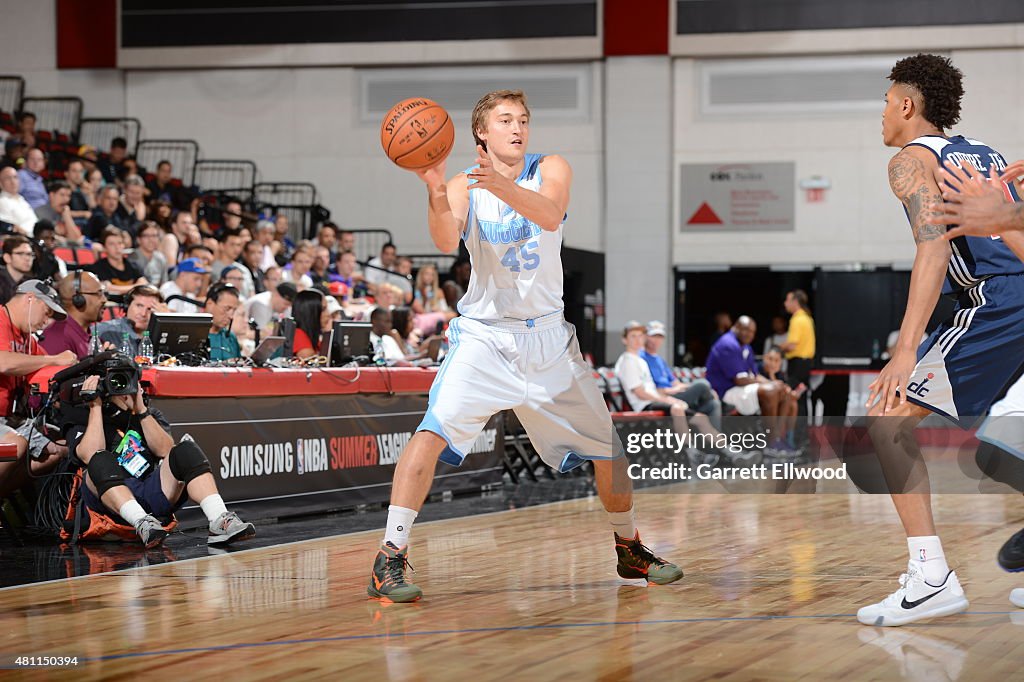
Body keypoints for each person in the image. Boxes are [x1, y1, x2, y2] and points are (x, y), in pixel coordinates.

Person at [366, 89, 682, 603]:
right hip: (485, 337)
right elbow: (447, 240)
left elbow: (552, 215)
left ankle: (630, 548)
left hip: (549, 339)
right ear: (481, 134)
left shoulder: (549, 166)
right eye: (505, 120)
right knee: (431, 433)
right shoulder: (464, 184)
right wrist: (432, 188)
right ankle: (390, 556)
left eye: (523, 120)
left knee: (609, 448)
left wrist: (499, 183)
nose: (518, 128)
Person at [856, 54, 1024, 627]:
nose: (880, 113)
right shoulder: (987, 151)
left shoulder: (908, 161)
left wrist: (905, 350)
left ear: (907, 104)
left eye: (884, 101)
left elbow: (933, 244)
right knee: (1006, 447)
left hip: (998, 302)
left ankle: (930, 578)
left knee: (887, 422)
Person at [67, 364, 255, 547]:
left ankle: (219, 520)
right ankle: (141, 522)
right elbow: (89, 454)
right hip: (109, 499)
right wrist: (95, 407)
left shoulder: (149, 415)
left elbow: (166, 450)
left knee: (185, 450)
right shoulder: (84, 418)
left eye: (126, 380)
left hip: (147, 488)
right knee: (100, 459)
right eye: (114, 382)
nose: (122, 388)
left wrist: (140, 411)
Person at [0, 280, 77, 498]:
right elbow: (4, 362)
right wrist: (54, 358)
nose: (47, 321)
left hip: (10, 418)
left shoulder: (25, 336)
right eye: (46, 312)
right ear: (30, 299)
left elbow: (56, 368)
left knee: (59, 447)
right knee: (16, 445)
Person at [705, 316, 796, 454]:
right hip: (725, 391)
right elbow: (739, 380)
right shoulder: (728, 344)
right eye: (746, 330)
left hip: (741, 389)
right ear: (736, 327)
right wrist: (770, 385)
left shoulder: (745, 346)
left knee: (785, 392)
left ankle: (777, 439)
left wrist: (774, 384)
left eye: (752, 332)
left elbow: (753, 375)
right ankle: (771, 444)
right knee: (770, 391)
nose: (749, 334)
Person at [641, 320, 723, 430]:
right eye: (653, 336)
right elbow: (654, 390)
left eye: (660, 336)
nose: (656, 340)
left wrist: (684, 387)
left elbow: (675, 382)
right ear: (646, 336)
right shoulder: (641, 358)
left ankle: (711, 444)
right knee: (703, 384)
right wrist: (675, 389)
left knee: (714, 404)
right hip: (664, 398)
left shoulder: (660, 360)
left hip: (675, 394)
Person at [43, 271, 108, 358]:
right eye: (99, 293)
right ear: (78, 299)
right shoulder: (58, 338)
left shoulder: (90, 335)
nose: (104, 300)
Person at [96, 284, 164, 355]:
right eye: (139, 306)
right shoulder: (104, 329)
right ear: (127, 306)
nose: (143, 313)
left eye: (150, 309)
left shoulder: (162, 334)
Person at [87, 227, 148, 295]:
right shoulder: (99, 267)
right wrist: (136, 287)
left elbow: (144, 283)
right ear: (104, 248)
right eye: (112, 244)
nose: (117, 247)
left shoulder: (132, 265)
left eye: (120, 243)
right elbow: (108, 288)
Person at [205, 283, 242, 361]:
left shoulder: (231, 337)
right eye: (227, 309)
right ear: (210, 304)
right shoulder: (191, 336)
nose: (231, 316)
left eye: (234, 310)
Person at [128, 221, 169, 288]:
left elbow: (164, 284)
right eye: (146, 236)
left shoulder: (161, 258)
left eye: (154, 236)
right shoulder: (132, 258)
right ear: (138, 239)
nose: (151, 240)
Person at [290, 289, 329, 360]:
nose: (328, 314)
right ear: (310, 312)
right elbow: (310, 364)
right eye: (323, 309)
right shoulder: (298, 335)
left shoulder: (314, 338)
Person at [0, 166, 38, 235]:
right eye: (8, 178)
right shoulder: (2, 202)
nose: (13, 181)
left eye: (15, 177)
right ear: (1, 183)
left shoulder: (21, 199)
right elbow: (10, 230)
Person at [0, 236, 36, 304]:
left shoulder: (29, 283)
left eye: (29, 254)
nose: (27, 258)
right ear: (7, 257)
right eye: (21, 254)